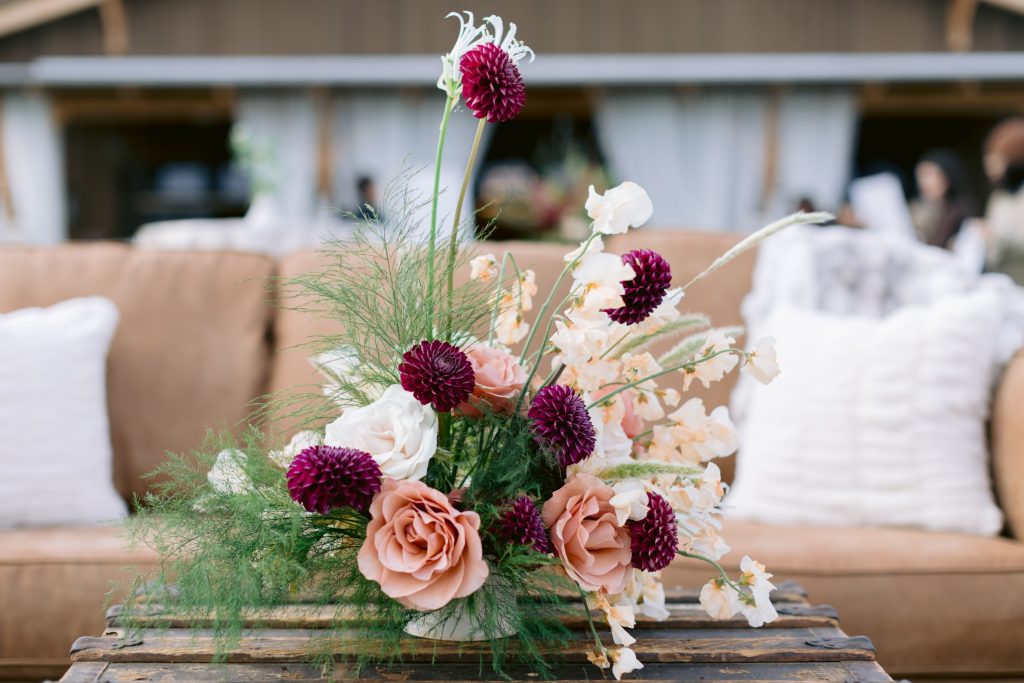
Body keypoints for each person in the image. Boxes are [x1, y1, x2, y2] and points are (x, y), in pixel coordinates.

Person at [982, 118, 1024, 284]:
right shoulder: (998, 197)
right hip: (1003, 282)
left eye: (996, 159)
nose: (989, 166)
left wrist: (997, 237)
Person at [909, 148, 972, 249]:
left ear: (946, 179)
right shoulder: (914, 211)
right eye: (919, 176)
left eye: (928, 175)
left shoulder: (961, 214)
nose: (922, 182)